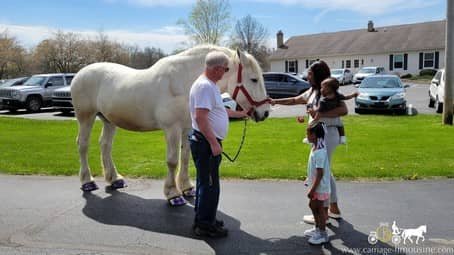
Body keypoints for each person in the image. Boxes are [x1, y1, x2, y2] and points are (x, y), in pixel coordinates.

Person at [270, 60, 347, 224]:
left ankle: (322, 214)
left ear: (318, 75)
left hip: (327, 134)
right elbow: (295, 100)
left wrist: (319, 116)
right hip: (319, 135)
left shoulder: (328, 93)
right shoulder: (313, 91)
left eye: (310, 74)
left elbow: (343, 110)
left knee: (321, 171)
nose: (307, 76)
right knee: (326, 170)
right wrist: (275, 101)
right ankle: (333, 208)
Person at [188, 51, 249, 238]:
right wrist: (214, 143)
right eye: (225, 69)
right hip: (206, 143)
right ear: (216, 69)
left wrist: (242, 114)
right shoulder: (205, 87)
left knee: (205, 183)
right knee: (210, 185)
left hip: (205, 142)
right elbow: (201, 117)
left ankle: (205, 218)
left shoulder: (210, 85)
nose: (226, 72)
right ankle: (205, 226)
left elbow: (219, 111)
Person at [306, 77, 358, 144]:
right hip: (335, 118)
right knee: (340, 125)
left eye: (322, 88)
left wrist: (312, 112)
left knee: (311, 126)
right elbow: (346, 97)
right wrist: (353, 95)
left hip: (324, 119)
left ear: (328, 89)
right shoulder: (338, 95)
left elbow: (319, 111)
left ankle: (308, 138)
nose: (321, 89)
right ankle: (342, 138)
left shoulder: (323, 101)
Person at [303, 121, 331, 244]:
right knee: (313, 206)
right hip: (316, 185)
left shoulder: (319, 151)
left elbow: (320, 174)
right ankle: (317, 229)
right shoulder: (315, 147)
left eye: (308, 134)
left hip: (320, 187)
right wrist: (308, 179)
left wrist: (312, 189)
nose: (307, 136)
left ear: (314, 135)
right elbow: (314, 169)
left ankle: (323, 234)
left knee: (318, 208)